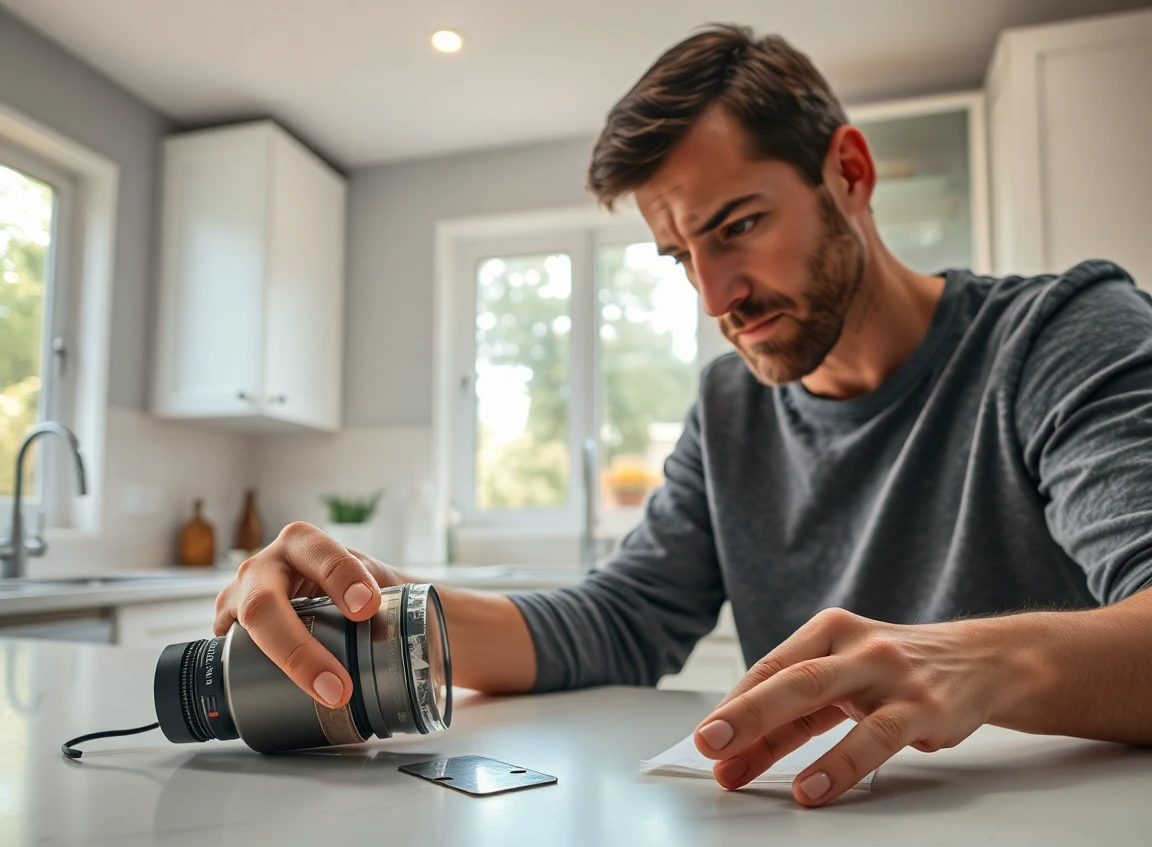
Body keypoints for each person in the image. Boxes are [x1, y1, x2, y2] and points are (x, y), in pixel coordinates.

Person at [213, 25, 1152, 807]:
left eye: (738, 225)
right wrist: (381, 609)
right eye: (679, 256)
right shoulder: (731, 405)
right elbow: (626, 619)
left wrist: (968, 661)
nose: (716, 297)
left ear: (851, 174)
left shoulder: (1059, 336)